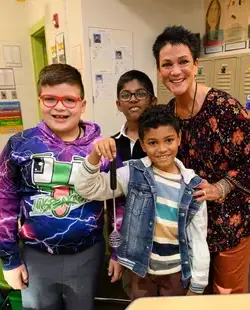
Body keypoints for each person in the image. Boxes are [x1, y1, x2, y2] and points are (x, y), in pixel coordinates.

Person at [0, 64, 107, 310]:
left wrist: (118, 253)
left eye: (69, 99)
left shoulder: (101, 148)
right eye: (50, 99)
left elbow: (118, 200)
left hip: (87, 255)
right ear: (40, 100)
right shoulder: (20, 145)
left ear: (82, 104)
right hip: (36, 258)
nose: (59, 107)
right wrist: (9, 260)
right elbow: (4, 202)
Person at [75, 105, 210, 299]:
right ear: (143, 145)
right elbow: (86, 188)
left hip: (176, 273)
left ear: (179, 139)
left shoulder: (192, 185)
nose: (162, 149)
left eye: (169, 140)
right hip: (140, 271)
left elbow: (198, 238)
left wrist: (198, 284)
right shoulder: (133, 172)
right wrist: (95, 155)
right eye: (153, 142)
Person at [152, 25, 250, 294]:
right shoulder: (168, 113)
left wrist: (221, 187)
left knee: (227, 296)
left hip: (230, 223)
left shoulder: (223, 107)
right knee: (195, 294)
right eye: (167, 64)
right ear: (159, 70)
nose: (175, 71)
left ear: (196, 64)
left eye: (183, 62)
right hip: (190, 226)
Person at [107, 70, 156, 292]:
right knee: (138, 297)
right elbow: (110, 203)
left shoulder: (165, 143)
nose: (133, 99)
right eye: (126, 95)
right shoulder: (111, 146)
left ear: (153, 100)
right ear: (118, 104)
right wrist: (115, 253)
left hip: (164, 241)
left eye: (140, 93)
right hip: (128, 243)